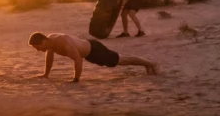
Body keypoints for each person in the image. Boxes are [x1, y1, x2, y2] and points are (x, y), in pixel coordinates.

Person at [27, 32, 158, 82]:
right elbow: (49, 59)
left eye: (37, 47)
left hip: (95, 50)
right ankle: (147, 64)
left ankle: (151, 63)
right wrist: (46, 74)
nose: (38, 50)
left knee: (121, 60)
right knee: (121, 60)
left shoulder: (62, 41)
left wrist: (75, 80)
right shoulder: (50, 44)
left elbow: (78, 59)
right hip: (90, 53)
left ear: (43, 42)